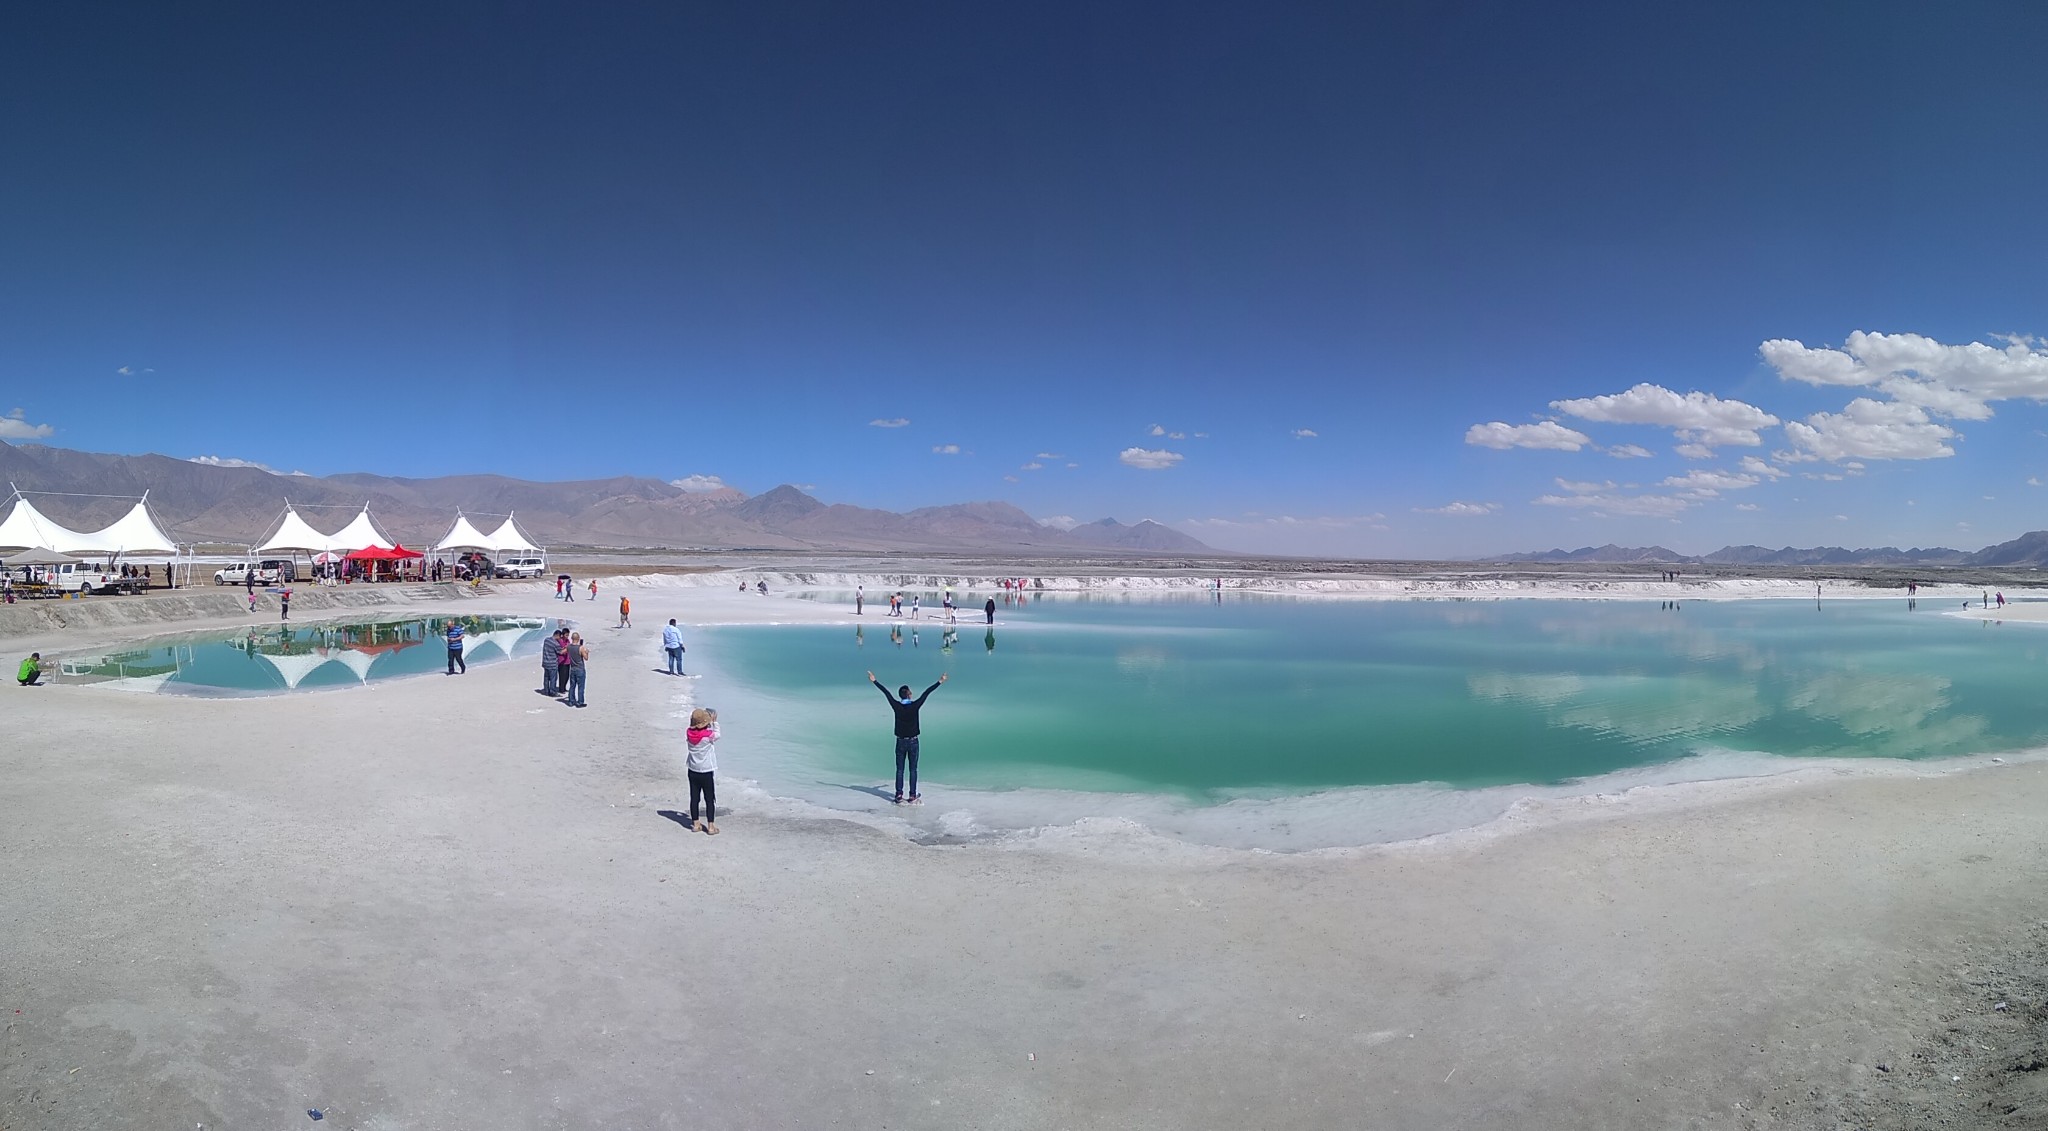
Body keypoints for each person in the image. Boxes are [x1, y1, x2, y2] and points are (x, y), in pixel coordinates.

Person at [868, 669, 947, 805]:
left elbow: (886, 693)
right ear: (909, 694)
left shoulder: (896, 706)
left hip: (900, 742)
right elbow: (927, 692)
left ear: (900, 696)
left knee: (899, 769)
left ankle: (899, 795)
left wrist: (874, 681)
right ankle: (912, 795)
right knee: (913, 769)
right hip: (913, 742)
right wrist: (940, 681)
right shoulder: (915, 706)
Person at [686, 707, 721, 834]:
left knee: (694, 798)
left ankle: (696, 824)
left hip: (692, 769)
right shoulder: (708, 737)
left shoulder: (689, 733)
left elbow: (695, 729)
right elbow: (718, 734)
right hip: (706, 771)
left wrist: (707, 722)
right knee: (709, 799)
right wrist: (714, 722)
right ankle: (711, 827)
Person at [562, 631, 588, 707]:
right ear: (578, 638)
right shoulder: (581, 648)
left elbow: (562, 652)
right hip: (580, 669)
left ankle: (571, 701)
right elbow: (586, 658)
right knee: (581, 687)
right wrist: (587, 652)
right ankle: (580, 702)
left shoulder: (569, 647)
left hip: (572, 668)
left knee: (572, 686)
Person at [541, 628, 562, 695]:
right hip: (552, 664)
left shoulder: (546, 640)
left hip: (545, 662)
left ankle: (546, 690)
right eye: (560, 637)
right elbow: (560, 652)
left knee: (546, 677)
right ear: (558, 635)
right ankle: (552, 691)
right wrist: (567, 648)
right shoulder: (556, 644)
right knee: (553, 678)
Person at [553, 627, 573, 695]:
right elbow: (560, 650)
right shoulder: (560, 641)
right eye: (566, 635)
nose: (567, 636)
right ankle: (561, 689)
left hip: (568, 660)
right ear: (563, 634)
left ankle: (564, 687)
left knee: (567, 675)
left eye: (568, 635)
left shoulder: (568, 641)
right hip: (562, 661)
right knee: (562, 676)